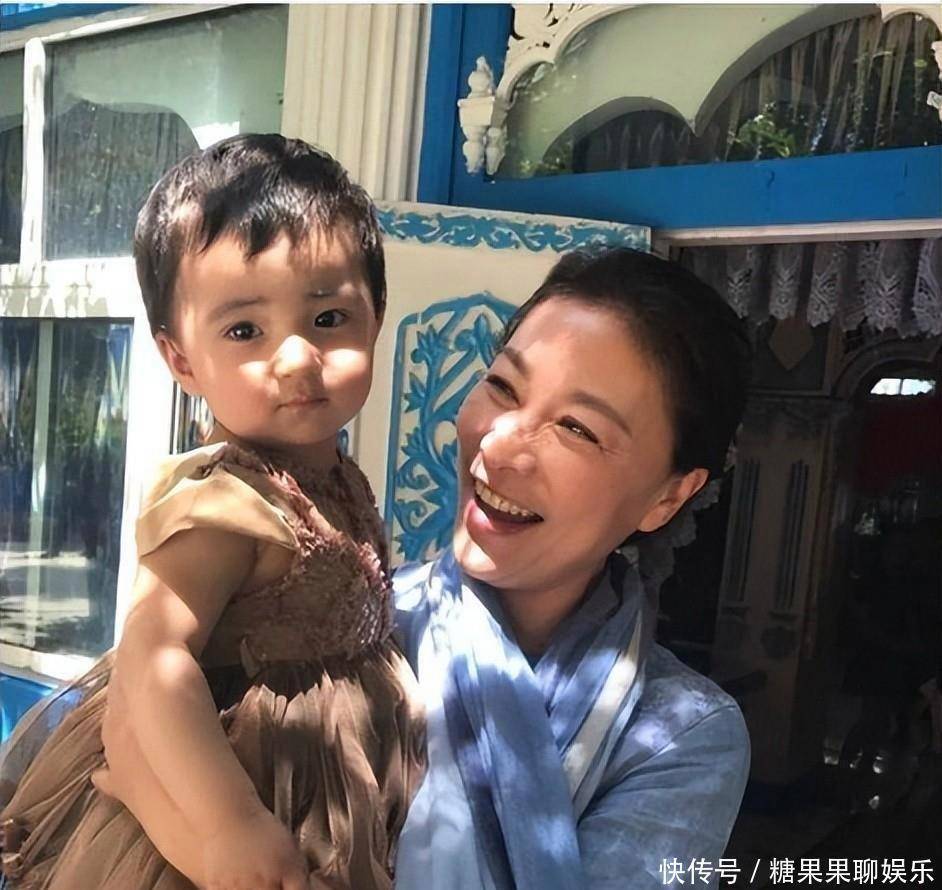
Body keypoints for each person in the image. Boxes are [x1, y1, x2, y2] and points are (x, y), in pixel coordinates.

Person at [92, 246, 754, 889]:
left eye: (577, 428)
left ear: (669, 496)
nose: (499, 446)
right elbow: (135, 706)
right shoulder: (350, 623)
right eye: (503, 386)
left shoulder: (679, 734)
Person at [0, 135, 425, 890]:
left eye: (328, 317)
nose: (296, 358)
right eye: (245, 331)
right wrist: (228, 823)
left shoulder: (330, 476)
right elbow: (154, 660)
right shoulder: (223, 498)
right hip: (226, 798)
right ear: (182, 360)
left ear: (376, 315)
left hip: (329, 786)